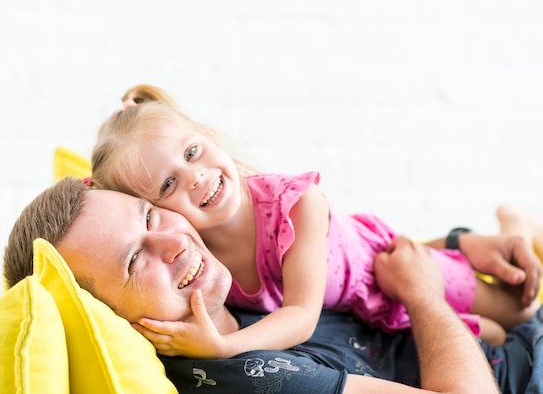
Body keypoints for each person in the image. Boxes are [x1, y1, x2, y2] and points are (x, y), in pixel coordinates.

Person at [89, 84, 541, 355]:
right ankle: (478, 239)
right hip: (362, 314)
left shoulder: (299, 203)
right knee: (491, 337)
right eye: (168, 185)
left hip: (388, 268)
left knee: (522, 312)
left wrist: (224, 346)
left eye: (192, 152)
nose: (195, 177)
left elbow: (301, 316)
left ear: (208, 136)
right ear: (155, 214)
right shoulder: (195, 260)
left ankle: (514, 224)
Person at [3, 177, 543, 393]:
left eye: (149, 216)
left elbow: (353, 265)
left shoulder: (226, 294)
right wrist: (423, 293)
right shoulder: (248, 377)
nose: (172, 242)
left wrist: (459, 244)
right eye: (132, 262)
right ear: (108, 318)